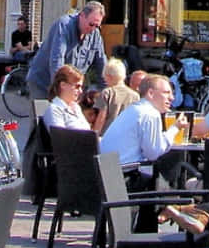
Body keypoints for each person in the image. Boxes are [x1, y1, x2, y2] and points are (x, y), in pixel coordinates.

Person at [102, 74, 188, 230]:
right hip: (124, 178)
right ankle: (168, 211)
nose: (172, 98)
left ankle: (167, 208)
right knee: (162, 178)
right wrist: (175, 128)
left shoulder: (134, 110)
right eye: (166, 93)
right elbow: (153, 153)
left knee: (157, 179)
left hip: (109, 175)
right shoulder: (150, 113)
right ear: (150, 93)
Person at [27, 0, 106, 100]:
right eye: (91, 24)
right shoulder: (64, 26)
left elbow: (101, 62)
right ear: (81, 15)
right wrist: (60, 91)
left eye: (97, 26)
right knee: (45, 114)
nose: (93, 29)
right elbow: (57, 60)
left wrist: (108, 91)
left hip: (70, 87)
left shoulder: (95, 35)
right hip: (43, 82)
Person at [90, 59, 139, 134]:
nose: (104, 80)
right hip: (126, 135)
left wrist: (94, 135)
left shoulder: (107, 92)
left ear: (109, 76)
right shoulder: (135, 96)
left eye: (105, 77)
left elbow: (101, 118)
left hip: (108, 135)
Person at [42, 64, 89, 130]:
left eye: (81, 87)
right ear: (63, 85)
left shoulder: (76, 108)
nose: (80, 91)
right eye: (77, 86)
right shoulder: (55, 109)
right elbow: (61, 137)